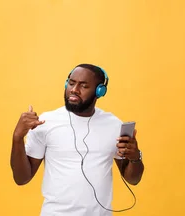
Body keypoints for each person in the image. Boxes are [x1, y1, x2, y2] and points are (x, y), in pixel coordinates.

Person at [10, 64, 145, 216]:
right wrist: (17, 138)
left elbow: (133, 180)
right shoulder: (45, 122)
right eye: (71, 83)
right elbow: (21, 178)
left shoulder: (114, 125)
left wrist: (135, 157)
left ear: (100, 91)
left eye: (84, 86)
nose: (74, 89)